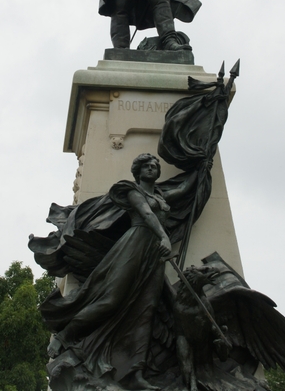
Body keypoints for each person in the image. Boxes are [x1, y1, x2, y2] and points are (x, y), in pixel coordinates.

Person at [40, 154, 195, 390]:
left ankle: (136, 373)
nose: (153, 169)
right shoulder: (132, 191)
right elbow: (146, 214)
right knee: (110, 300)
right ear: (138, 171)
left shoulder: (161, 196)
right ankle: (65, 335)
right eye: (148, 166)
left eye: (155, 166)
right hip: (134, 245)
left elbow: (183, 189)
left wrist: (201, 171)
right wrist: (163, 236)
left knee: (147, 311)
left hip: (155, 255)